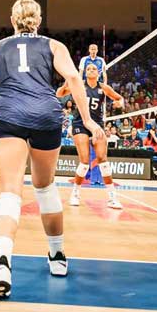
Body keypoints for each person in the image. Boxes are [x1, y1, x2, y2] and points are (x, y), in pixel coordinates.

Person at [0, 0, 103, 298]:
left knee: (9, 192)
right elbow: (74, 77)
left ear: (13, 19)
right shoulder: (54, 45)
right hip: (46, 114)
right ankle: (57, 256)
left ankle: (2, 264)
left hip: (9, 113)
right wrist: (87, 120)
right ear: (38, 20)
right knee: (45, 187)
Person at [56, 63, 124, 208]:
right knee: (85, 161)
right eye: (88, 69)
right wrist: (66, 83)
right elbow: (59, 94)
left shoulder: (104, 87)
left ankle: (112, 198)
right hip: (80, 124)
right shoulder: (79, 85)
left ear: (98, 73)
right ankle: (75, 194)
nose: (91, 70)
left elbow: (119, 98)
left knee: (102, 159)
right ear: (85, 72)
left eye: (93, 69)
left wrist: (119, 103)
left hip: (97, 125)